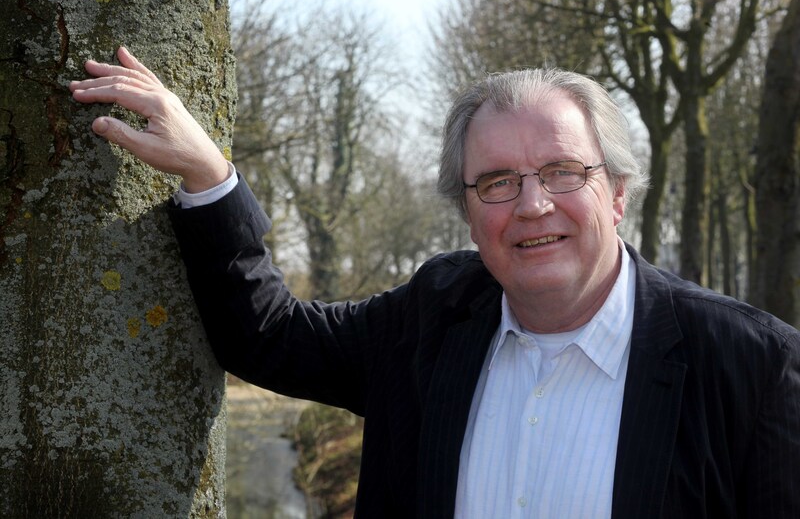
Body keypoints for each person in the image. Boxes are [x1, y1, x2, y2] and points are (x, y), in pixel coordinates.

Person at [70, 47, 800, 518]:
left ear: (616, 194)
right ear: (469, 214)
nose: (532, 205)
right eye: (497, 182)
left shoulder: (753, 366)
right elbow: (272, 336)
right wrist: (208, 175)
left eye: (562, 172)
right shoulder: (434, 315)